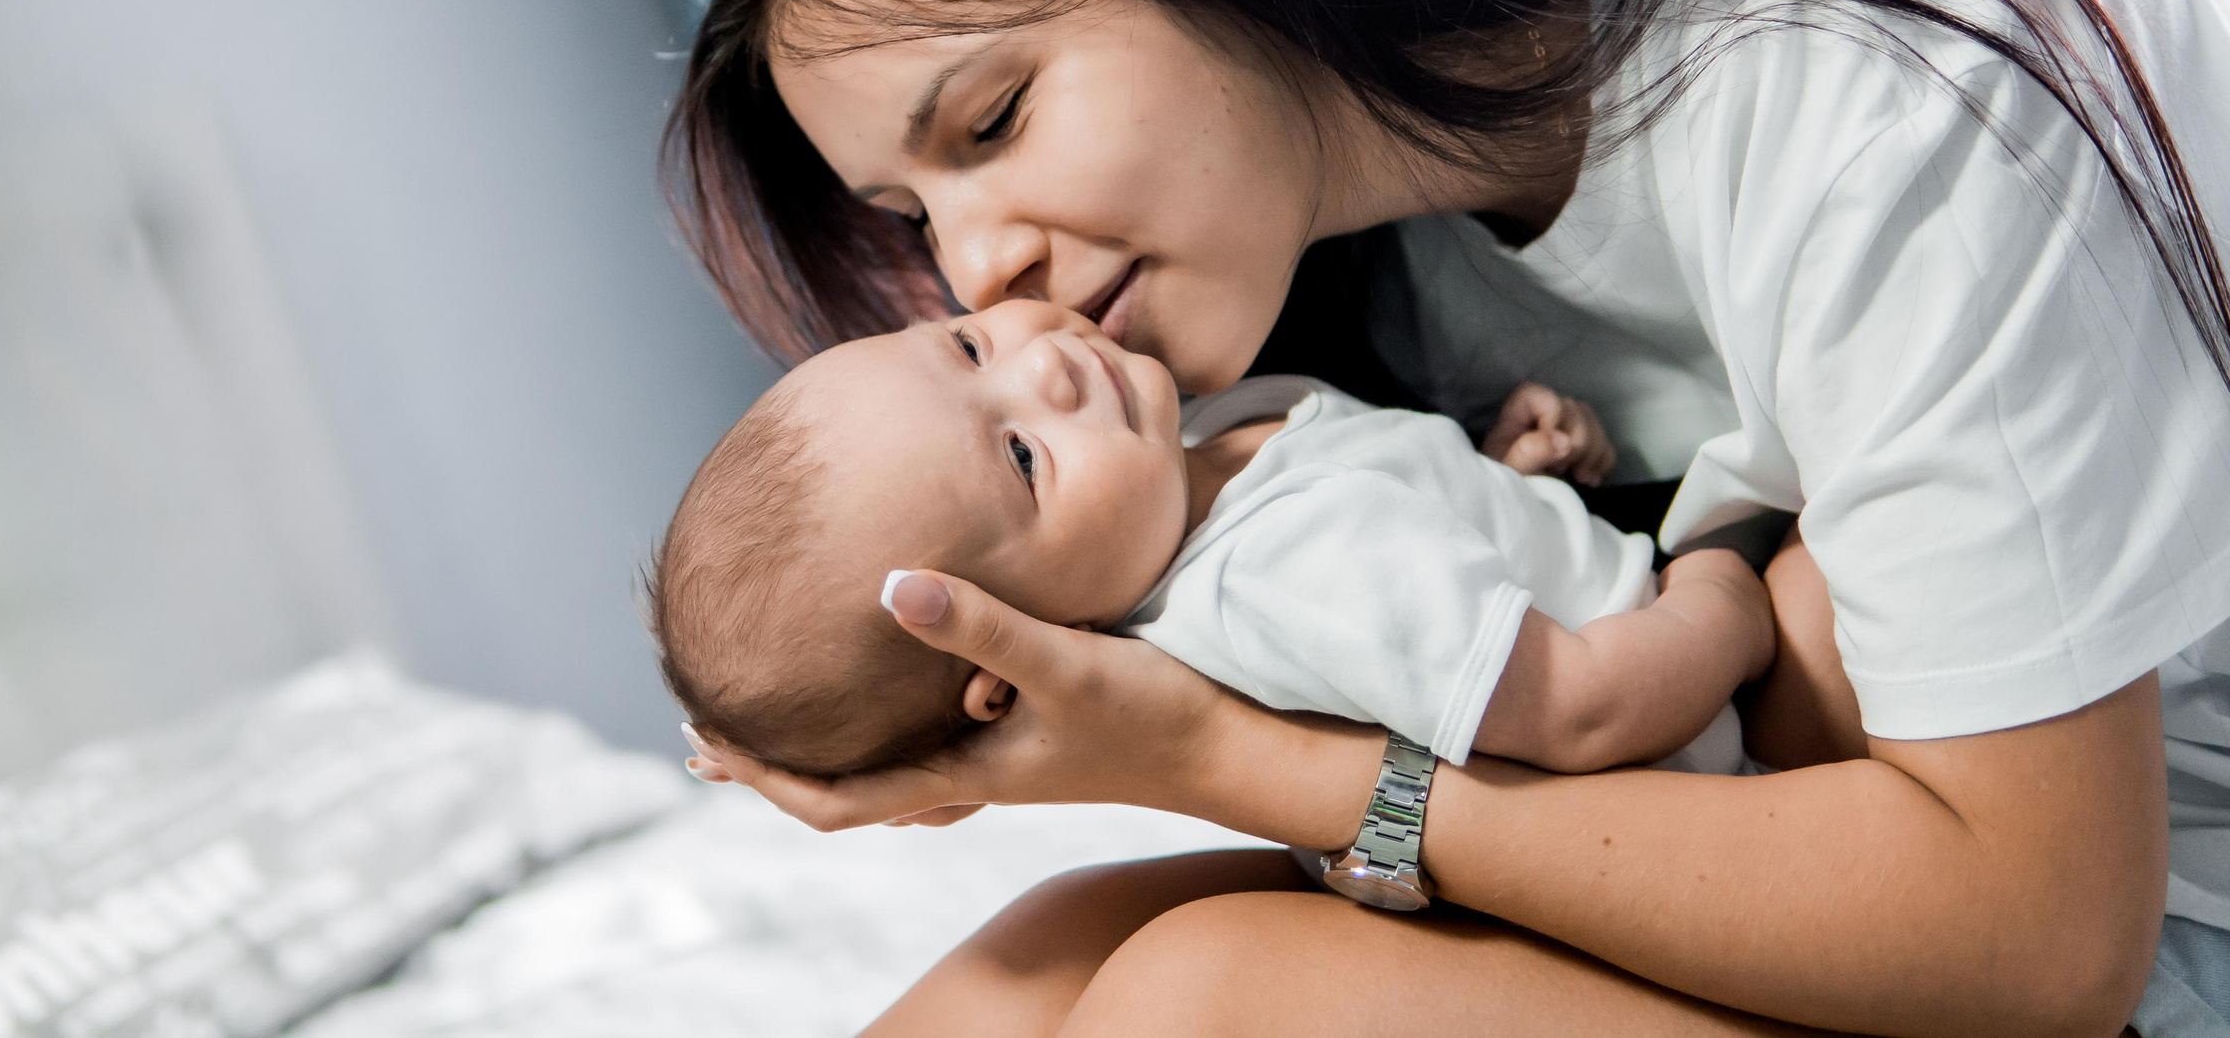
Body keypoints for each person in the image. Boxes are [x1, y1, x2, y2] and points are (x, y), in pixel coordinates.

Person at [662, 0, 2230, 1036]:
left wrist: (1222, 756)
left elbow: (2038, 945)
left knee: (1204, 997)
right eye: (913, 216)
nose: (979, 270)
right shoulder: (1314, 281)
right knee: (1030, 971)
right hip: (1893, 833)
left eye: (996, 118)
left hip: (2118, 919)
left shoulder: (1869, 83)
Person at [648, 299, 1763, 780]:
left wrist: (1496, 484)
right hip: (1701, 740)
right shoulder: (1270, 576)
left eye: (967, 346)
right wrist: (1724, 570)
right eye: (1023, 458)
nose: (1045, 365)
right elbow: (1580, 707)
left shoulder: (1197, 447)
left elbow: (1422, 579)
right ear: (1005, 661)